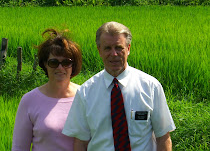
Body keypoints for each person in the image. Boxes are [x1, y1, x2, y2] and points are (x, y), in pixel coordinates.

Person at [62, 21, 176, 151]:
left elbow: (163, 136)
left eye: (118, 47)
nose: (114, 54)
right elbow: (80, 142)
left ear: (128, 49)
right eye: (107, 48)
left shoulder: (150, 86)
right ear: (99, 51)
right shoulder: (86, 92)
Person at [12, 28, 82, 151]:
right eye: (54, 62)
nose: (60, 68)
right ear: (45, 63)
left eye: (66, 62)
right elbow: (19, 147)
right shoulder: (29, 100)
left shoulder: (85, 96)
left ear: (73, 65)